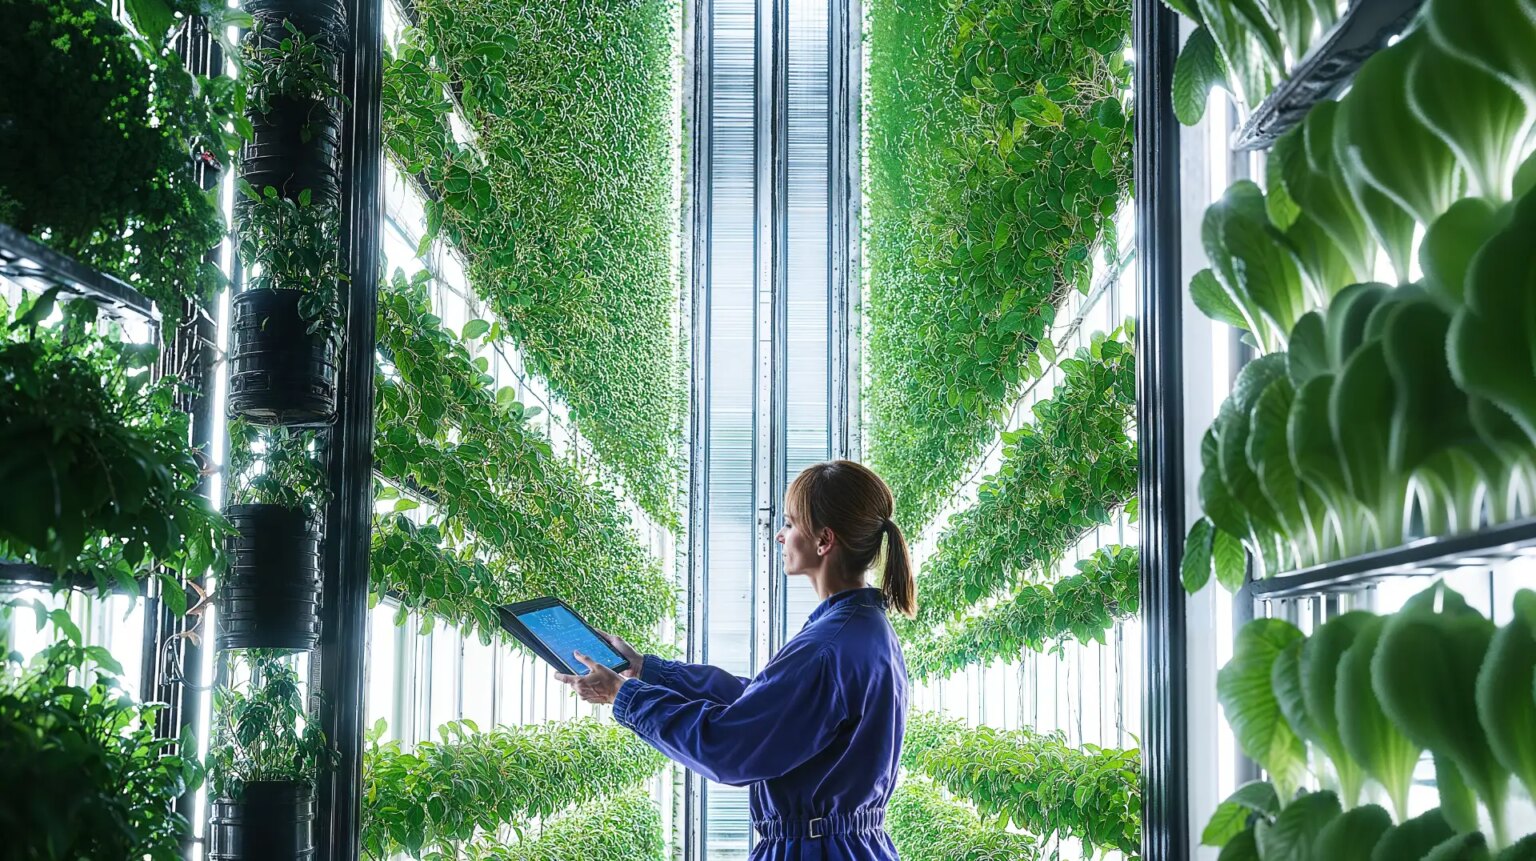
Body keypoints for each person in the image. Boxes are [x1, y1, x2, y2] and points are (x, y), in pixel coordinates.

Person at [555, 460, 915, 860]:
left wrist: (624, 696)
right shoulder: (859, 629)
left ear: (824, 540)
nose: (780, 535)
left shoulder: (827, 647)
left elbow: (730, 746)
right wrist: (647, 670)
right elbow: (762, 701)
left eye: (791, 524)